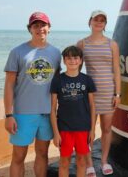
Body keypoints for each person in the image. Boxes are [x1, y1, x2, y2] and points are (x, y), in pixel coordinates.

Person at [4, 11, 61, 177]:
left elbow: (57, 85)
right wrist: (8, 114)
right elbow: (8, 84)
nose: (40, 28)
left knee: (43, 154)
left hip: (47, 113)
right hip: (23, 114)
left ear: (49, 28)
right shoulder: (17, 52)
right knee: (19, 156)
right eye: (35, 25)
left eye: (43, 25)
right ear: (30, 29)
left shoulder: (56, 53)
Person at [77, 10, 121, 176]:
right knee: (88, 130)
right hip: (89, 94)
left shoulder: (112, 44)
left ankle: (103, 161)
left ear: (105, 24)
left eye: (102, 20)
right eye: (96, 19)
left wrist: (118, 94)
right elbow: (76, 70)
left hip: (108, 93)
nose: (99, 22)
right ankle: (89, 163)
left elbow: (117, 70)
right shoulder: (82, 44)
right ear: (90, 21)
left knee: (107, 128)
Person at [50, 45, 96, 177]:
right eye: (68, 58)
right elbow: (53, 109)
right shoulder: (58, 80)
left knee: (81, 161)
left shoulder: (87, 80)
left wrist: (92, 129)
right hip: (64, 129)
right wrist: (56, 133)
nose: (72, 61)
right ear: (64, 61)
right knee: (64, 162)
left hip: (83, 128)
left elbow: (93, 106)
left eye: (75, 58)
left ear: (81, 60)